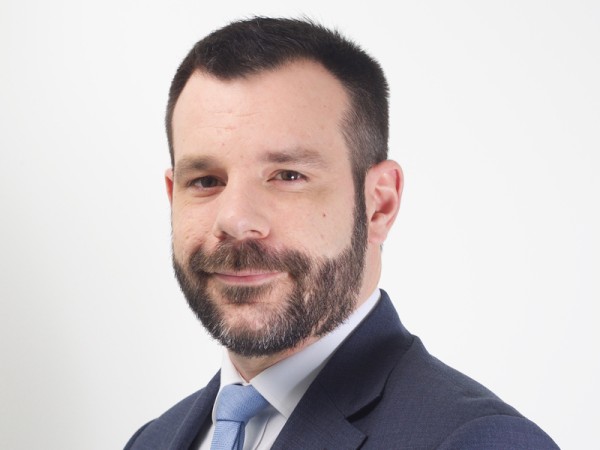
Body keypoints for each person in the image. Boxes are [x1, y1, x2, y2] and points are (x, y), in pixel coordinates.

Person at [125, 17, 559, 450]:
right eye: (205, 181)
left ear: (379, 204)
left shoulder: (479, 441)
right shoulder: (152, 441)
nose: (235, 220)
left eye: (288, 175)